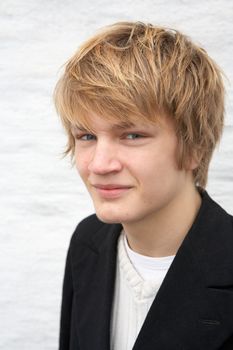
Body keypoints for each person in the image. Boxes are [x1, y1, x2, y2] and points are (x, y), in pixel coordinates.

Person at [54, 22, 233, 350]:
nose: (99, 164)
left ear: (195, 146)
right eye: (87, 136)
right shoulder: (87, 242)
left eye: (132, 135)